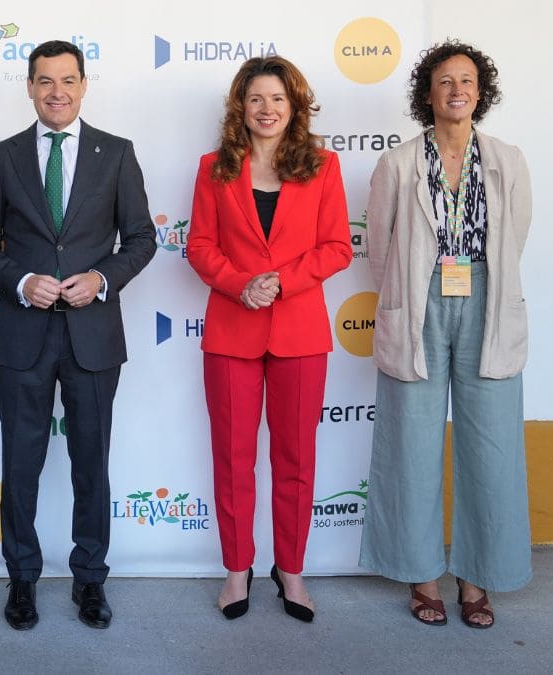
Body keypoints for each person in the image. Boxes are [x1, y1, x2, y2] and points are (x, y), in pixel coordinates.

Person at [0, 40, 156, 631]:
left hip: (92, 335)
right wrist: (21, 281)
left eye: (68, 80)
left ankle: (89, 581)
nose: (57, 92)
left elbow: (143, 239)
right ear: (28, 86)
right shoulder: (1, 156)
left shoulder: (117, 153)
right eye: (45, 81)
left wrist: (101, 278)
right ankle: (20, 579)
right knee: (19, 463)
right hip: (22, 334)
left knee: (89, 464)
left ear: (83, 84)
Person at [359, 40, 532, 629]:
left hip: (486, 301)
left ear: (480, 93)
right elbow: (379, 250)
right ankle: (422, 575)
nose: (457, 90)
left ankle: (478, 579)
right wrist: (413, 294)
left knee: (493, 446)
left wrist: (477, 283)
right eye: (444, 82)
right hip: (419, 303)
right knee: (411, 442)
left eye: (467, 81)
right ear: (427, 95)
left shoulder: (507, 159)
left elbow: (516, 237)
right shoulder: (399, 162)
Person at [186, 56, 351, 623]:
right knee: (232, 459)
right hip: (232, 330)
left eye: (278, 99)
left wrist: (279, 282)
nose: (267, 109)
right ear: (241, 106)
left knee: (296, 458)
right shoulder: (214, 167)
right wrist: (240, 285)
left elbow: (336, 248)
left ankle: (293, 570)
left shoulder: (322, 167)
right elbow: (200, 246)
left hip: (300, 332)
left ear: (294, 105)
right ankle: (238, 570)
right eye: (256, 99)